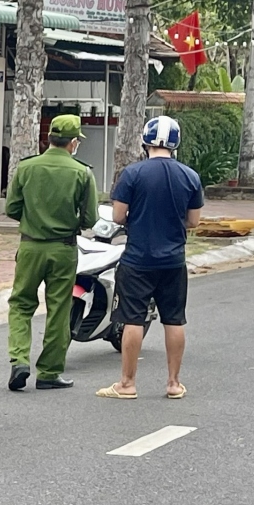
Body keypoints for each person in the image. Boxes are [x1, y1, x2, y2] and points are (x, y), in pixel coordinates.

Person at [97, 116, 203, 400]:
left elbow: (118, 215)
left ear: (145, 141)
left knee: (133, 319)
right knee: (174, 320)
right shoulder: (190, 176)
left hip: (138, 259)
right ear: (175, 144)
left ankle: (127, 384)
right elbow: (194, 221)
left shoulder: (132, 174)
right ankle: (173, 383)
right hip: (173, 260)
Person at [5, 114, 99, 392]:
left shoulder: (26, 168)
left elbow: (11, 208)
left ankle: (19, 359)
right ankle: (48, 372)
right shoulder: (82, 172)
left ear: (48, 138)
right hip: (63, 249)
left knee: (21, 304)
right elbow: (91, 218)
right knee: (59, 309)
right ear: (73, 143)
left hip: (30, 246)